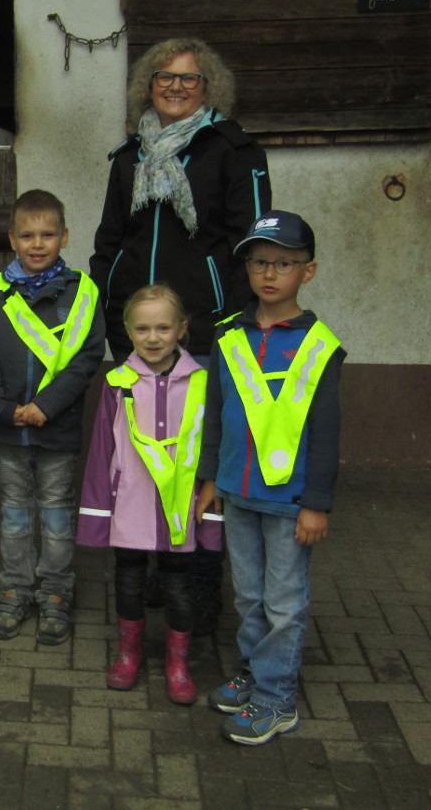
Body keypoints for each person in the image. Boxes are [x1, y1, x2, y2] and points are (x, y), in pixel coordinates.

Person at [89, 37, 272, 634]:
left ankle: (196, 589)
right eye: (164, 77)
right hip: (136, 328)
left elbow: (252, 242)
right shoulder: (128, 156)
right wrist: (111, 292)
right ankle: (143, 573)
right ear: (149, 84)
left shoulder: (233, 151)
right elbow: (110, 236)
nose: (174, 87)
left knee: (194, 457)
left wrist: (231, 310)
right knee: (141, 452)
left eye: (188, 80)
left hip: (203, 327)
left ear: (207, 88)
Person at [198, 211, 344, 745]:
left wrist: (318, 502)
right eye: (260, 262)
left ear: (308, 271)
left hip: (291, 500)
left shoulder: (319, 345)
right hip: (237, 494)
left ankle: (277, 700)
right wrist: (209, 478)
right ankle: (255, 672)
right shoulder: (228, 337)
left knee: (284, 602)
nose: (269, 273)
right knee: (249, 596)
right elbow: (215, 414)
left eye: (284, 263)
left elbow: (326, 430)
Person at [0, 189, 104, 645]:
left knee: (55, 516)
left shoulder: (82, 293)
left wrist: (47, 406)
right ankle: (17, 587)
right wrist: (3, 410)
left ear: (65, 236)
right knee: (12, 516)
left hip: (57, 427)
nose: (37, 243)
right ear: (12, 238)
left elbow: (87, 357)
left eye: (48, 234)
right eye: (27, 235)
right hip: (8, 429)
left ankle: (56, 591)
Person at [78, 285, 220, 704]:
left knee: (178, 586)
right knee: (128, 580)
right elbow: (103, 447)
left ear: (182, 328)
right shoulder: (117, 383)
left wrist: (210, 495)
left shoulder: (201, 382)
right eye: (142, 328)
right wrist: (98, 510)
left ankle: (177, 664)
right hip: (132, 502)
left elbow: (211, 442)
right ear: (127, 331)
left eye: (163, 327)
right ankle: (129, 654)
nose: (153, 337)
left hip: (181, 505)